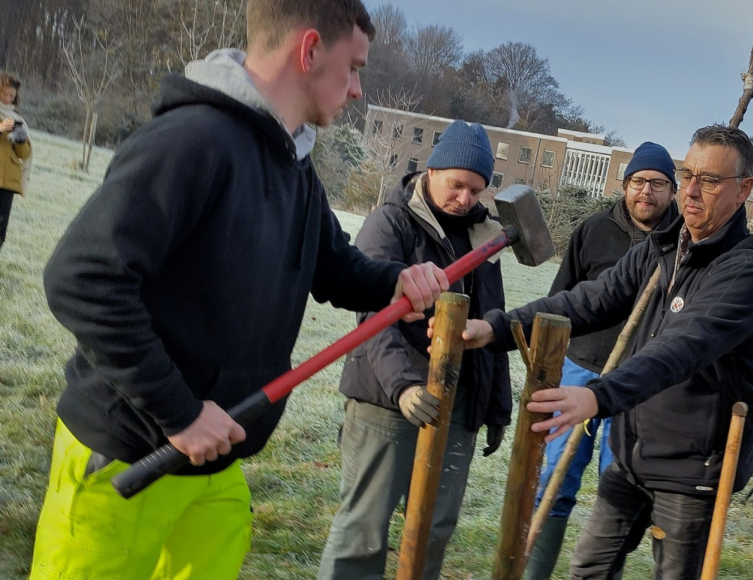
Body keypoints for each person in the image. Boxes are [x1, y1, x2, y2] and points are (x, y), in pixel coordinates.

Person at [30, 2, 450, 579]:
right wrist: (178, 413)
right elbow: (81, 279)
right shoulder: (192, 139)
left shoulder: (294, 166)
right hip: (130, 455)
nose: (357, 90)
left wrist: (395, 280)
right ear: (308, 51)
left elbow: (332, 266)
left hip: (216, 459)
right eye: (353, 68)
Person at [447, 125, 753, 580]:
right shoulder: (665, 248)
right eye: (688, 176)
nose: (693, 191)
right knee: (589, 568)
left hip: (692, 468)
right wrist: (498, 327)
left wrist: (599, 397)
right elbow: (591, 299)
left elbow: (680, 349)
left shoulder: (748, 274)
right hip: (632, 455)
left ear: (744, 190)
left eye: (711, 181)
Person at [317, 119, 511, 580]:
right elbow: (373, 314)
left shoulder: (485, 235)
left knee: (434, 528)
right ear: (433, 168)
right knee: (363, 531)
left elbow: (491, 318)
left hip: (457, 405)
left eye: (476, 190)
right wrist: (403, 387)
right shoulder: (392, 221)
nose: (465, 198)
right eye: (457, 184)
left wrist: (496, 406)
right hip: (387, 401)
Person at [525, 141, 680, 580]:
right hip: (579, 370)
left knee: (618, 489)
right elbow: (563, 300)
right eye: (637, 181)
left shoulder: (682, 241)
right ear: (625, 185)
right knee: (554, 478)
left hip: (637, 386)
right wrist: (543, 366)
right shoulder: (594, 230)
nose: (645, 191)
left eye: (656, 183)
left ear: (671, 190)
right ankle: (535, 570)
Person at [0, 71, 32, 252]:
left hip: (8, 182)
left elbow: (24, 154)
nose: (7, 98)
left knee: (0, 234)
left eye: (11, 95)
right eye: (4, 93)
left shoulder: (17, 118)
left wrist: (20, 139)